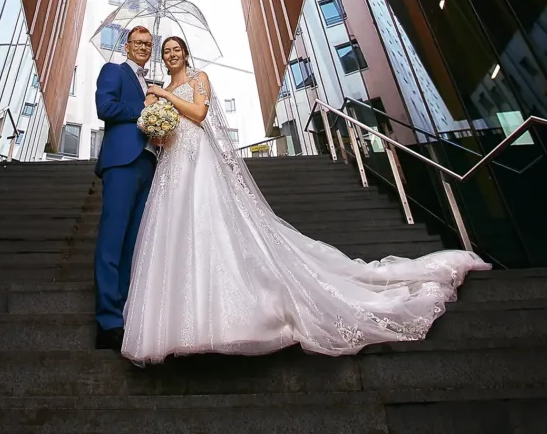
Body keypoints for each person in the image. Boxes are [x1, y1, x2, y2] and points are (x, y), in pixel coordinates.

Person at [122, 35, 490, 364]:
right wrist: (157, 126)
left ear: (186, 54)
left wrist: (166, 97)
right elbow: (165, 131)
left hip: (200, 160)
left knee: (211, 224)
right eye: (166, 51)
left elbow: (200, 114)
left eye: (176, 50)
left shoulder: (198, 79)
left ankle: (224, 319)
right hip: (174, 164)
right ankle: (180, 324)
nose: (171, 55)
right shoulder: (160, 90)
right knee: (177, 235)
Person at [93, 25, 157, 350]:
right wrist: (143, 110)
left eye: (148, 44)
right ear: (127, 46)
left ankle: (123, 314)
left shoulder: (152, 84)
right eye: (138, 43)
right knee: (113, 240)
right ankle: (107, 321)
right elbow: (104, 107)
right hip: (121, 161)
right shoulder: (113, 71)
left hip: (149, 163)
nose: (143, 47)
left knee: (133, 244)